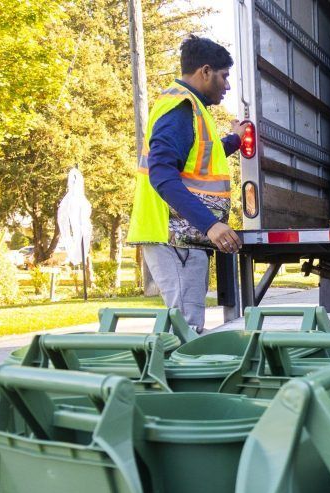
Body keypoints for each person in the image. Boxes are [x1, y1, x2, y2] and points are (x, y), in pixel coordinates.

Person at [127, 35, 243, 332]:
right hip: (174, 236)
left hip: (182, 237)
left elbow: (202, 156)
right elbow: (162, 175)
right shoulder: (181, 108)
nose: (227, 86)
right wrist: (210, 224)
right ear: (205, 71)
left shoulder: (190, 109)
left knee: (185, 328)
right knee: (186, 330)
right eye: (224, 76)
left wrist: (236, 140)